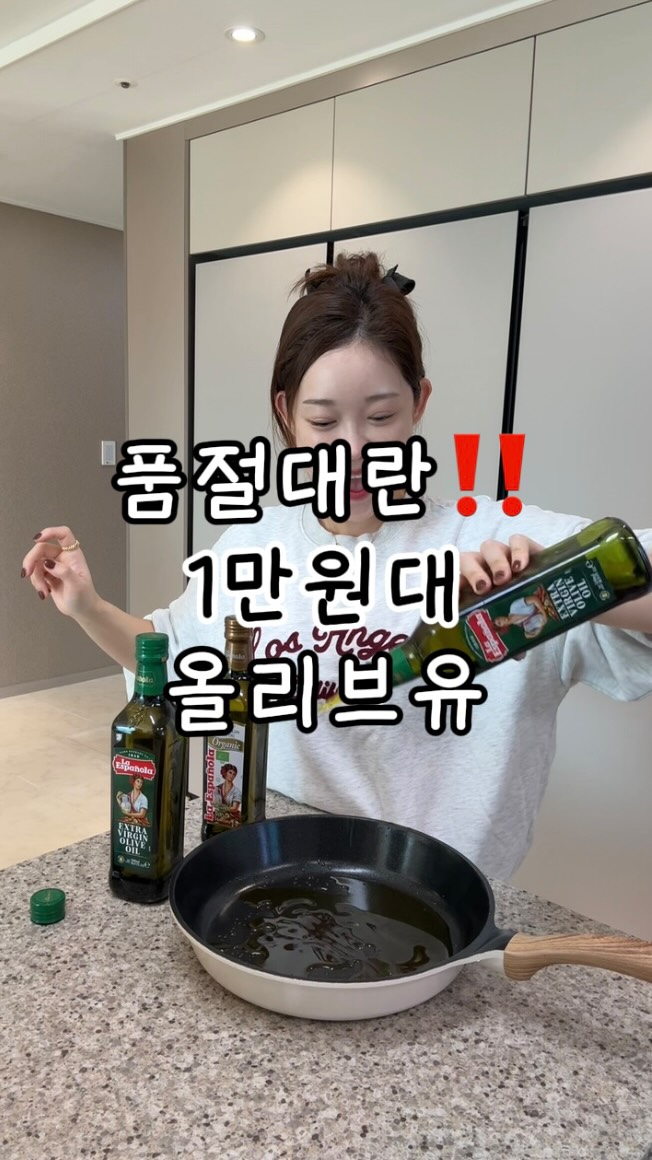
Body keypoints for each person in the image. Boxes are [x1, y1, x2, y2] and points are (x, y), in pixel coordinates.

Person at [20, 252, 652, 882]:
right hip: (279, 877)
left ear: (419, 403)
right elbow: (169, 652)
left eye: (381, 417)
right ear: (286, 413)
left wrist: (549, 584)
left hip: (436, 902)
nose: (352, 451)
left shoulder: (487, 536)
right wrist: (88, 607)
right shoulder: (253, 546)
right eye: (323, 422)